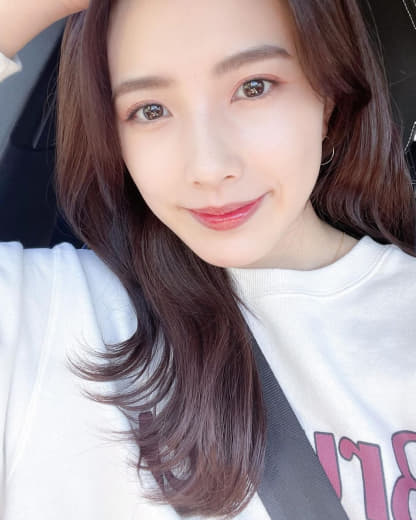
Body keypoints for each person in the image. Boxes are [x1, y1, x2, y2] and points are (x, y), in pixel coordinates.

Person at [0, 0, 415, 519]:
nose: (209, 167)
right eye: (150, 110)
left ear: (327, 96)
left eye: (254, 87)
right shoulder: (51, 316)